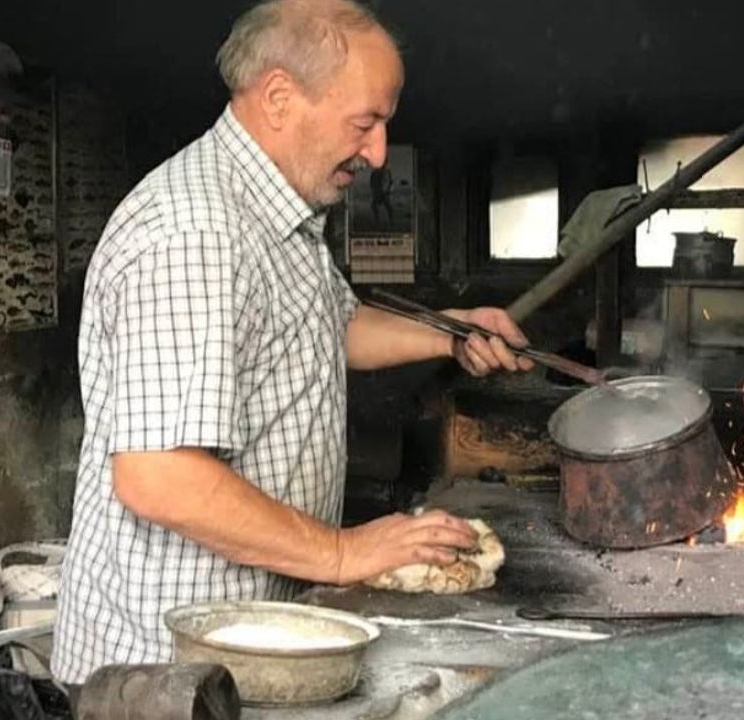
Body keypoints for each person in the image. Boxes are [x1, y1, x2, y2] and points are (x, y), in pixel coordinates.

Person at [51, 0, 533, 688]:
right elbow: (160, 476)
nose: (377, 153)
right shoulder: (197, 233)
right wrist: (344, 553)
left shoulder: (282, 215)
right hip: (168, 671)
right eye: (364, 123)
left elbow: (332, 327)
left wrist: (451, 332)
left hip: (252, 636)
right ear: (279, 97)